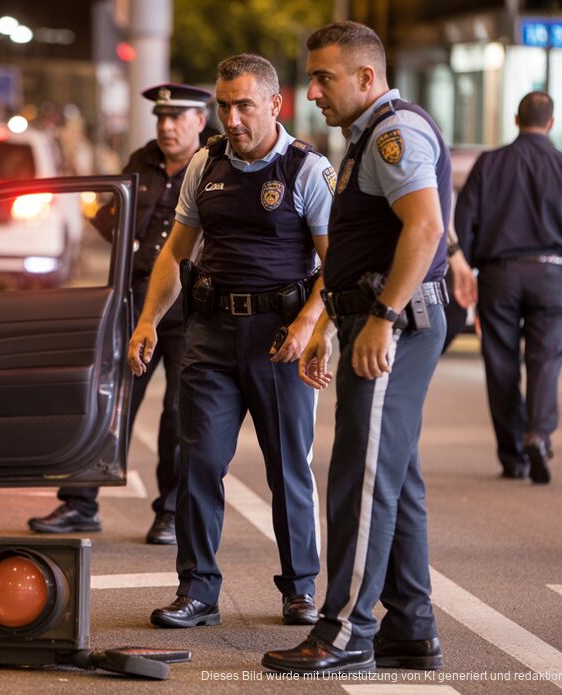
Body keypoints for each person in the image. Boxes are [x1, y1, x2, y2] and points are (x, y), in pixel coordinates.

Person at [263, 21, 451, 674]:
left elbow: (425, 228)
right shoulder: (368, 134)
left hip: (393, 322)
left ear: (366, 77)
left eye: (324, 77)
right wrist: (329, 324)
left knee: (361, 479)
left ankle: (345, 631)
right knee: (394, 476)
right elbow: (362, 244)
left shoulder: (394, 133)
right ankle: (412, 628)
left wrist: (382, 318)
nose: (312, 91)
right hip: (372, 318)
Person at [128, 55, 333, 629]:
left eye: (244, 105)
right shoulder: (206, 162)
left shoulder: (306, 168)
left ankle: (300, 589)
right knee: (197, 461)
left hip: (279, 339)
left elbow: (335, 263)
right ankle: (197, 592)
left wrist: (309, 324)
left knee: (287, 467)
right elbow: (175, 252)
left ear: (274, 104)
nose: (233, 118)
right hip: (211, 335)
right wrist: (148, 321)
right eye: (224, 106)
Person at [27, 83, 213, 545]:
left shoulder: (214, 164)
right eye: (161, 118)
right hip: (139, 300)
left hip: (191, 306)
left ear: (199, 121)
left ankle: (171, 513)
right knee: (109, 400)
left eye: (176, 118)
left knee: (180, 414)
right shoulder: (142, 161)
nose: (166, 127)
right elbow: (112, 217)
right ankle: (80, 504)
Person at [454, 91, 562, 483]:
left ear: (515, 120)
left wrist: (470, 269)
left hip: (498, 276)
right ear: (552, 123)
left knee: (500, 362)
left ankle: (513, 456)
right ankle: (539, 433)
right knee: (545, 359)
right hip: (550, 274)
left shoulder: (489, 163)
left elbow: (464, 222)